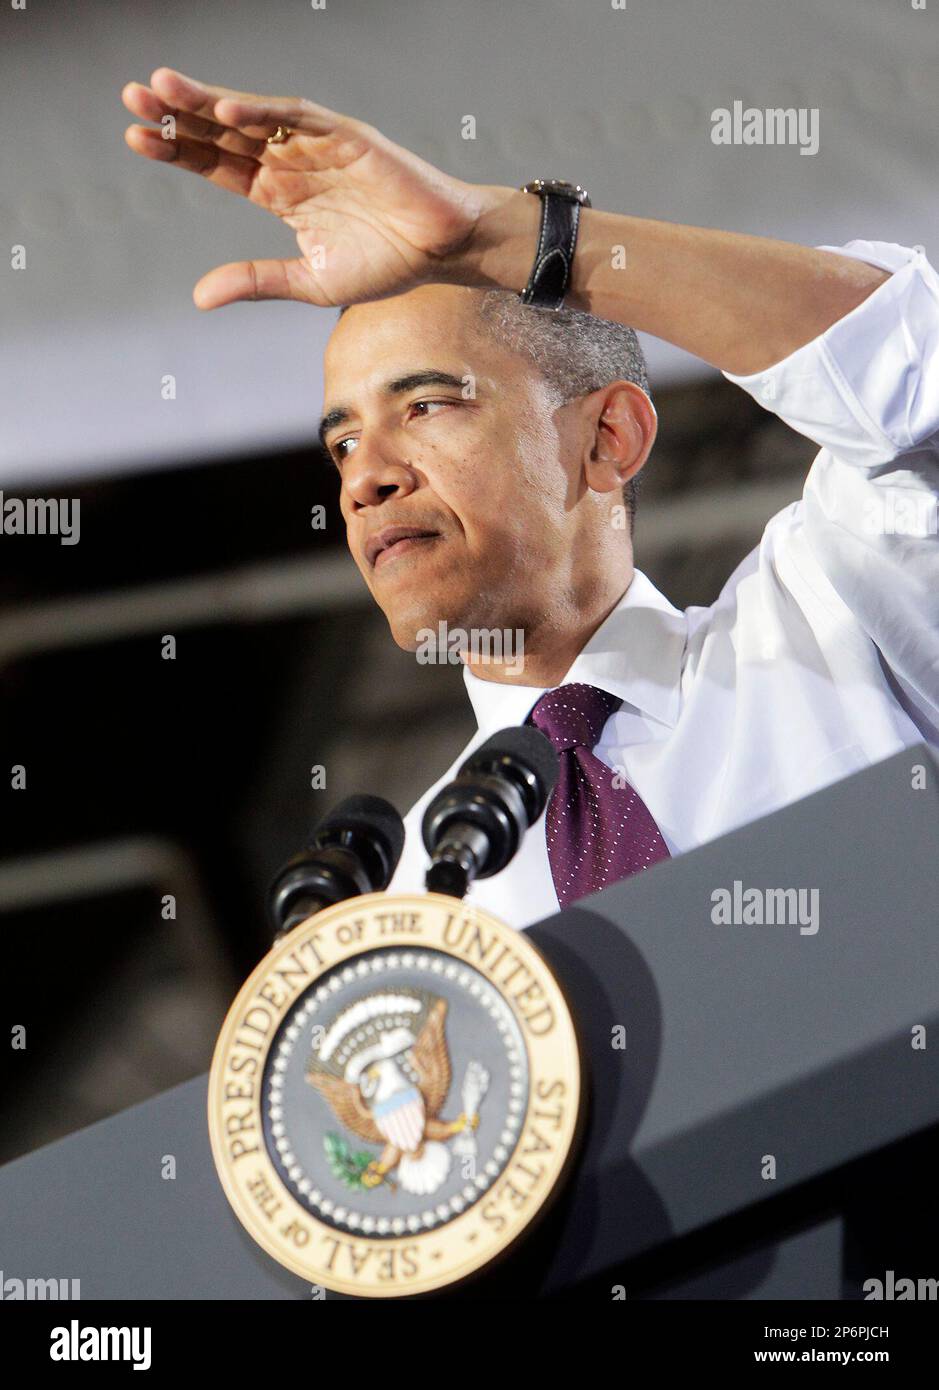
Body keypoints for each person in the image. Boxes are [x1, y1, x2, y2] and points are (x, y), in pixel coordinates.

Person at [123, 69, 939, 929]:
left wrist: (494, 236)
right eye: (344, 442)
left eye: (427, 405)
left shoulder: (838, 624)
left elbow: (914, 377)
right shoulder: (411, 906)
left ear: (607, 438)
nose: (364, 480)